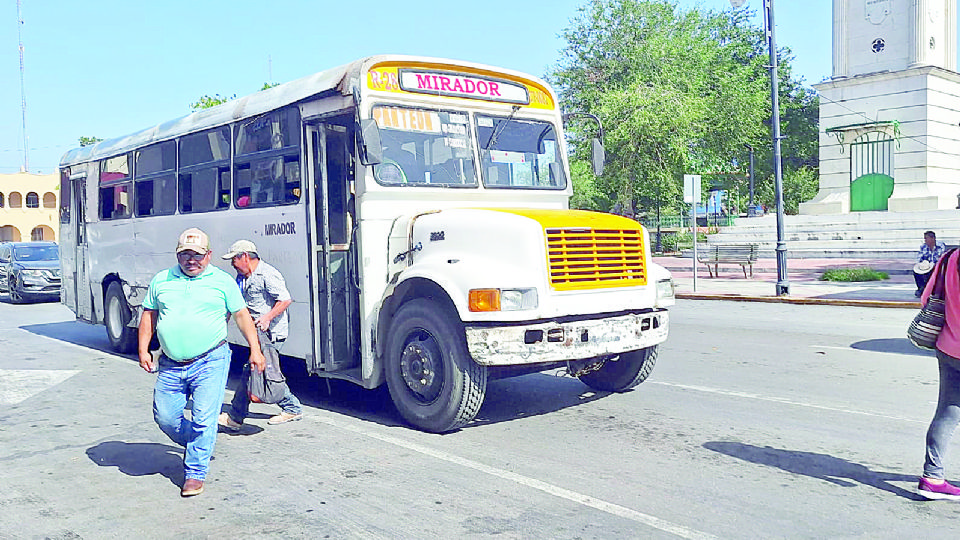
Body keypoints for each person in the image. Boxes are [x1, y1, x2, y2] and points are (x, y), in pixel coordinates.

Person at [138, 228, 265, 498]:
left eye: (196, 255)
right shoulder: (162, 280)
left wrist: (255, 349)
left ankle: (195, 473)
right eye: (185, 254)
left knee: (203, 419)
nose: (191, 260)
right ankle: (198, 444)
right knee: (165, 417)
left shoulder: (222, 281)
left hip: (211, 359)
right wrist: (143, 349)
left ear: (208, 255)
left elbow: (242, 316)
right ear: (177, 255)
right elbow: (149, 315)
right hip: (170, 363)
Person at [217, 239, 303, 431]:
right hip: (257, 335)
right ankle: (291, 407)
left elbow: (285, 299)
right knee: (264, 372)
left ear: (245, 257)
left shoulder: (268, 274)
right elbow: (235, 303)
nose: (232, 263)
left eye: (234, 259)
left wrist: (267, 317)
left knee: (253, 371)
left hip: (271, 334)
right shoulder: (242, 277)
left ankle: (235, 418)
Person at [918, 248, 960, 500]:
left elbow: (927, 299)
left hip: (948, 348)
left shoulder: (948, 257)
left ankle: (933, 476)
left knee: (947, 412)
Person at [914, 231, 947, 297]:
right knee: (916, 272)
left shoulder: (940, 246)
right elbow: (919, 257)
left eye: (927, 238)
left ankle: (930, 289)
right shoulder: (923, 246)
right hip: (926, 265)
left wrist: (931, 264)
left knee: (931, 272)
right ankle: (921, 288)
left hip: (937, 265)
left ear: (933, 238)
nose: (925, 240)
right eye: (925, 238)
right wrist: (922, 263)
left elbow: (939, 258)